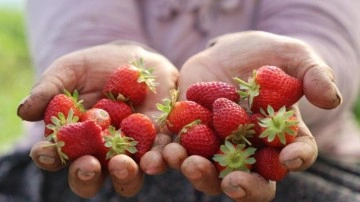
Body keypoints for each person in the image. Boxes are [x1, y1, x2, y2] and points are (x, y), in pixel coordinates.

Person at [1, 0, 360, 201]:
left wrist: (290, 83)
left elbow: (331, 45)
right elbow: (81, 34)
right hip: (84, 160)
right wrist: (114, 60)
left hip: (306, 155)